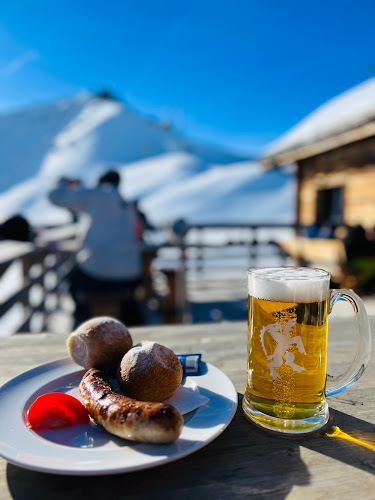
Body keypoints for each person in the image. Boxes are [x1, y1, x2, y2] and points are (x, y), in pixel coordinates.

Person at [48, 170, 145, 325]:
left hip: (96, 272)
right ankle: (132, 327)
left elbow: (56, 197)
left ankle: (83, 324)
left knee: (73, 282)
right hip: (130, 275)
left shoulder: (96, 194)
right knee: (130, 301)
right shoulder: (127, 204)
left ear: (100, 181)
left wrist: (62, 181)